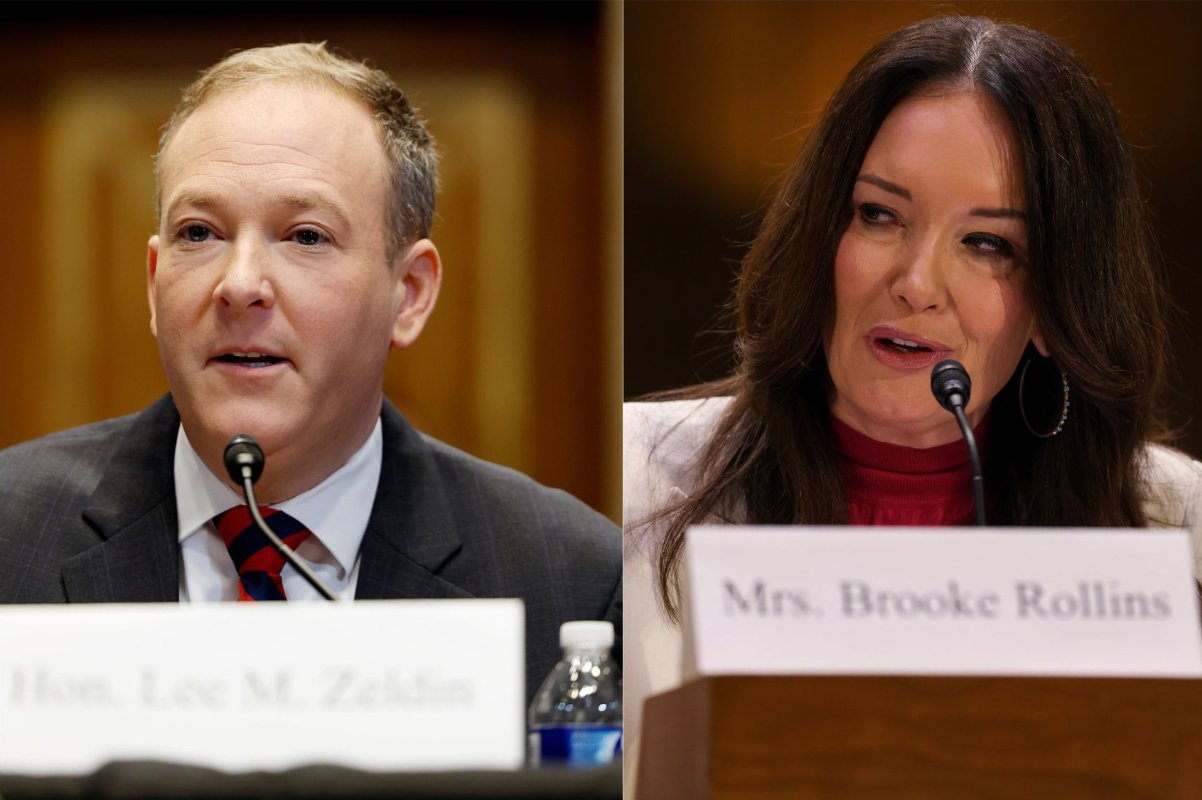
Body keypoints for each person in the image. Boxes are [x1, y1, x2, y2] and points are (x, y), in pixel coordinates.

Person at [624, 13, 1202, 793]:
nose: (917, 283)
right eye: (879, 215)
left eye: (989, 244)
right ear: (823, 237)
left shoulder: (1178, 531)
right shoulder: (628, 482)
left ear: (1055, 309)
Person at [0, 42, 621, 705]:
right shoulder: (13, 537)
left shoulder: (570, 581)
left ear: (409, 293)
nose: (239, 286)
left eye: (305, 237)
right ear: (155, 285)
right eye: (199, 233)